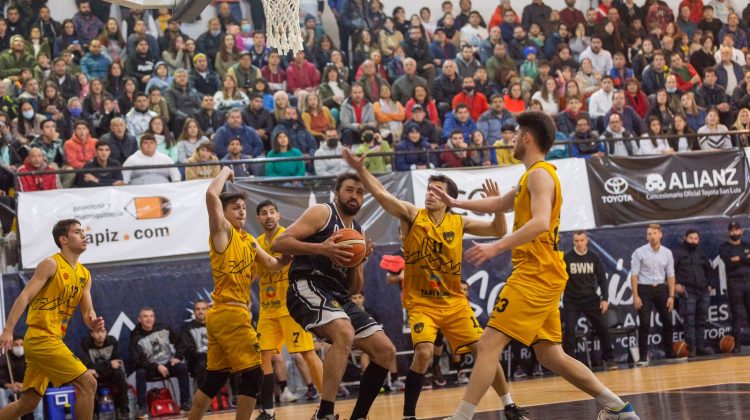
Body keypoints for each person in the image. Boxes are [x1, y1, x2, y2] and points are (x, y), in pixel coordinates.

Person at [433, 111, 638, 420]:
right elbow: (500, 202)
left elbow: (541, 222)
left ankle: (461, 417)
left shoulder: (540, 174)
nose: (513, 140)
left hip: (535, 271)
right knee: (550, 354)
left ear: (527, 137)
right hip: (543, 271)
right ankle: (618, 408)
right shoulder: (531, 175)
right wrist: (457, 203)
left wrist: (496, 247)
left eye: (516, 134)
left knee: (488, 344)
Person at [341, 147, 526, 419]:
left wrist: (497, 206)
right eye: (428, 189)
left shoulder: (458, 221)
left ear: (448, 198)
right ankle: (408, 415)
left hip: (454, 303)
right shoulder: (413, 215)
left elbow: (499, 230)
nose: (430, 193)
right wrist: (360, 169)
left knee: (484, 350)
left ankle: (509, 405)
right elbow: (381, 195)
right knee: (425, 353)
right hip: (421, 303)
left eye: (437, 190)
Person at [272, 173, 396, 420]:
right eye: (349, 190)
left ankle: (358, 415)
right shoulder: (322, 213)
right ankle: (325, 413)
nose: (355, 196)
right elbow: (279, 242)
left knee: (386, 351)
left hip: (338, 295)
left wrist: (358, 263)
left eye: (360, 192)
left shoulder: (358, 231)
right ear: (337, 193)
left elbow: (352, 289)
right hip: (307, 283)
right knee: (344, 332)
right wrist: (322, 248)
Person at [187, 168, 289, 420]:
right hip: (231, 312)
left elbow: (274, 264)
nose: (242, 211)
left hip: (223, 316)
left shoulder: (250, 241)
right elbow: (212, 194)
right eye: (235, 207)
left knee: (215, 379)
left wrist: (294, 252)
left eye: (243, 207)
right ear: (224, 212)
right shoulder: (223, 232)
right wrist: (224, 172)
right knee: (254, 373)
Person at [0, 219, 104, 420]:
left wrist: (92, 322)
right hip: (41, 338)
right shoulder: (51, 264)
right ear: (63, 239)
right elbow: (25, 296)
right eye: (77, 232)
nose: (83, 235)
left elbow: (87, 311)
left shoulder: (84, 275)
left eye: (83, 231)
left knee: (28, 403)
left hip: (53, 339)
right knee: (88, 383)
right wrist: (8, 329)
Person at [254, 200, 324, 419]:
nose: (268, 216)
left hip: (291, 307)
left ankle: (327, 407)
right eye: (264, 213)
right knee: (263, 357)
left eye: (272, 212)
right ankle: (268, 410)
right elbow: (253, 274)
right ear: (258, 218)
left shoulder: (289, 237)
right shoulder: (255, 243)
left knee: (307, 353)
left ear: (279, 214)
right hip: (267, 310)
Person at [562, 231, 618, 370]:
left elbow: (602, 280)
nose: (579, 243)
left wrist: (605, 299)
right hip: (571, 300)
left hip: (590, 299)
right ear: (573, 241)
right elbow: (559, 279)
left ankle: (609, 359)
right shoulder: (567, 257)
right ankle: (569, 364)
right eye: (576, 240)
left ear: (587, 240)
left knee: (602, 328)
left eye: (581, 240)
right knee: (569, 330)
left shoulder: (594, 257)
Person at [631, 224, 678, 366]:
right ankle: (643, 357)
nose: (652, 236)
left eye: (654, 233)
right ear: (647, 236)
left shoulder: (667, 253)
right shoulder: (639, 252)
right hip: (644, 289)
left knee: (668, 321)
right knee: (644, 322)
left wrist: (671, 296)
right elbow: (634, 276)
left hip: (661, 289)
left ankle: (670, 353)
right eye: (649, 233)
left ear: (660, 235)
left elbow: (670, 275)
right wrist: (635, 295)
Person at [130, 307, 192, 416]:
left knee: (182, 368)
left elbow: (181, 343)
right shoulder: (136, 335)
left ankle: (185, 403)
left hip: (168, 364)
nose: (149, 319)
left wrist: (178, 357)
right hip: (150, 367)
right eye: (145, 316)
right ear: (139, 319)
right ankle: (142, 408)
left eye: (151, 316)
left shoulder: (164, 328)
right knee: (140, 373)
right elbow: (138, 359)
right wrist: (156, 366)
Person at [673, 229, 715, 357]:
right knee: (689, 320)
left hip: (703, 291)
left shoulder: (701, 252)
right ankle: (691, 349)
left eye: (696, 238)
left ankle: (701, 347)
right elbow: (670, 271)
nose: (693, 241)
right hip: (687, 291)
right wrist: (675, 284)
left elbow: (709, 270)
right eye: (691, 238)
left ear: (699, 239)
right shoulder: (678, 252)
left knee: (701, 320)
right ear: (685, 238)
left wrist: (710, 284)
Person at [80, 328, 129, 419]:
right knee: (87, 375)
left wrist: (100, 370)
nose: (100, 335)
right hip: (94, 375)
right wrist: (109, 364)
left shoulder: (112, 341)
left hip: (108, 374)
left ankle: (124, 410)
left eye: (103, 332)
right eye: (97, 331)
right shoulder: (86, 343)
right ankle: (93, 413)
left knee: (120, 374)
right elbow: (86, 364)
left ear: (106, 333)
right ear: (92, 334)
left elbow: (117, 363)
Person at [718, 221, 750, 352]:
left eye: (737, 230)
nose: (734, 233)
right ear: (728, 232)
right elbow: (729, 263)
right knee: (736, 314)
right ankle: (737, 346)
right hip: (734, 283)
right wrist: (745, 258)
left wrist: (738, 258)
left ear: (741, 231)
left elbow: (736, 261)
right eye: (732, 230)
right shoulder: (724, 247)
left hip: (749, 280)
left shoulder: (747, 245)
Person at [0, 336, 44, 419]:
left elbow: (36, 376)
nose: (19, 347)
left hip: (26, 387)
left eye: (21, 344)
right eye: (16, 345)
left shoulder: (30, 358)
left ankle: (39, 418)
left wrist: (25, 384)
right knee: (0, 392)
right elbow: (0, 377)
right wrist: (9, 385)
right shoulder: (4, 359)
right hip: (10, 389)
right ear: (10, 346)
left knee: (37, 391)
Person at [181, 300, 209, 390]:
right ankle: (203, 397)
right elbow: (189, 349)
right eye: (198, 309)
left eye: (203, 309)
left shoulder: (216, 326)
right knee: (202, 363)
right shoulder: (187, 329)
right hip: (197, 360)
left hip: (216, 358)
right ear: (194, 312)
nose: (200, 311)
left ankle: (236, 395)